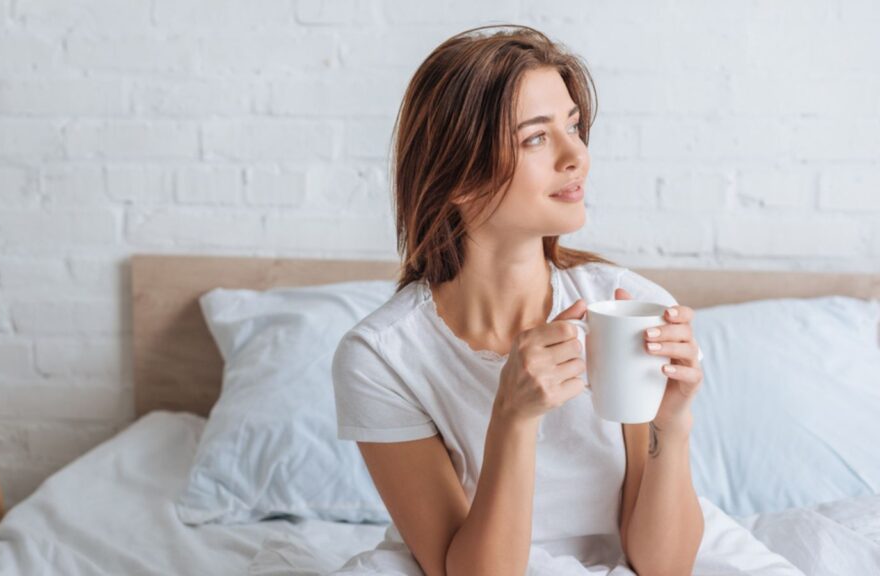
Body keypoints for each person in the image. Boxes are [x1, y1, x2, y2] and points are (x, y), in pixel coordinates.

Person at [330, 24, 805, 576]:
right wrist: (512, 416)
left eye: (574, 126)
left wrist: (670, 425)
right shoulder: (382, 357)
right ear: (458, 175)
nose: (576, 155)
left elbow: (663, 565)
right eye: (536, 138)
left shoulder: (626, 304)